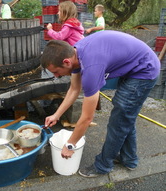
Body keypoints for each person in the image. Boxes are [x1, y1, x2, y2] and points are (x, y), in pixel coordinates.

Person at [40, 30, 160, 178]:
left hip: (144, 70)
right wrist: (56, 115)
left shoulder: (91, 68)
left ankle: (103, 165)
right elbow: (74, 88)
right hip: (132, 67)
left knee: (120, 119)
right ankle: (129, 159)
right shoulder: (75, 52)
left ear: (66, 62)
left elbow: (87, 118)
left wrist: (70, 144)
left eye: (56, 72)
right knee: (125, 116)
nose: (56, 76)